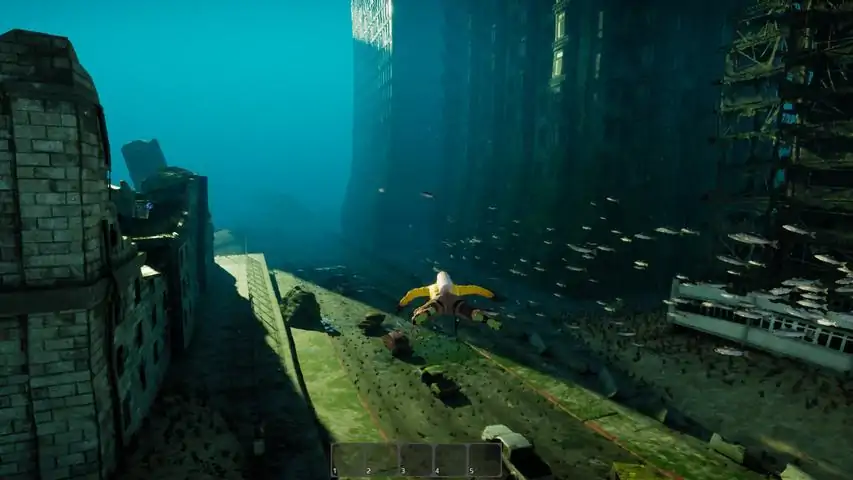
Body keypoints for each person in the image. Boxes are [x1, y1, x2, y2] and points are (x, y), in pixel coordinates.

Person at [396, 271, 502, 334]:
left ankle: (428, 311)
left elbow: (412, 293)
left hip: (439, 299)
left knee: (434, 306)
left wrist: (402, 304)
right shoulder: (458, 288)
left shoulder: (429, 288)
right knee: (465, 310)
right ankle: (483, 318)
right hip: (455, 300)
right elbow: (476, 289)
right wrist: (492, 296)